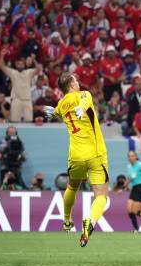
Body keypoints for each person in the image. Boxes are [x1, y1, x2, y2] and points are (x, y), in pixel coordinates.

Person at [44, 72, 109, 247]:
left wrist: (52, 113)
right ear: (72, 85)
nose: (79, 83)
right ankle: (89, 222)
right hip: (95, 153)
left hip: (75, 156)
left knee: (72, 187)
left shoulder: (61, 103)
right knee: (101, 195)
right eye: (76, 81)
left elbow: (56, 112)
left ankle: (66, 220)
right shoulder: (84, 94)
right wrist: (81, 108)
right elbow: (85, 101)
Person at [0, 48, 38, 122]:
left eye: (21, 63)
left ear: (24, 64)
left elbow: (39, 69)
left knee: (29, 121)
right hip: (16, 99)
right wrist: (1, 56)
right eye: (18, 63)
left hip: (27, 99)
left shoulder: (28, 72)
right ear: (16, 64)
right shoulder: (12, 72)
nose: (20, 64)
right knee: (14, 120)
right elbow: (1, 66)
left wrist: (34, 60)